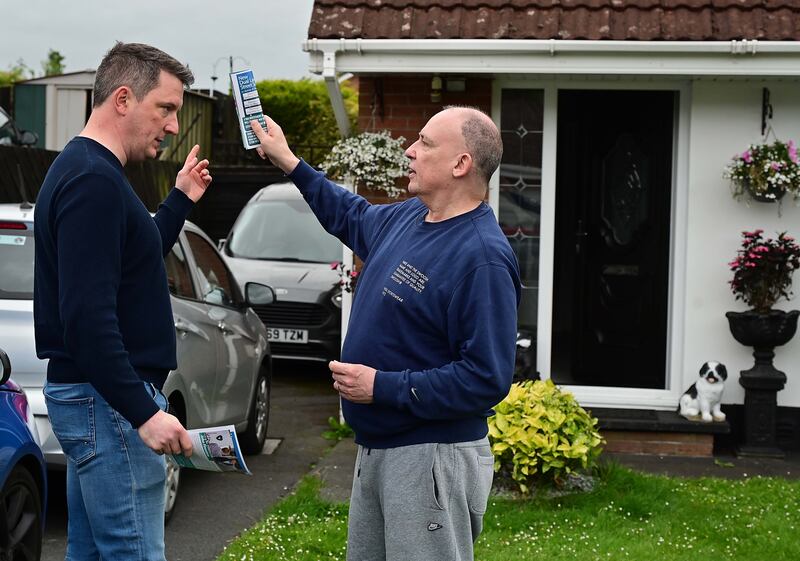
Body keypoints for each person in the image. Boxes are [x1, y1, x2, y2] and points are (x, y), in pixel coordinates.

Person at [251, 106, 521, 561]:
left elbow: (485, 378)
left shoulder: (483, 258)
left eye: (425, 144)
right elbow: (349, 213)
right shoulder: (409, 219)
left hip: (431, 458)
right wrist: (289, 161)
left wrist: (382, 387)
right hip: (378, 450)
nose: (410, 151)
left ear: (461, 165)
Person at [34, 42, 212, 561]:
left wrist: (178, 200)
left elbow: (135, 257)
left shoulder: (90, 172)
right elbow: (87, 319)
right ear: (123, 98)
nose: (174, 126)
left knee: (91, 554)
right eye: (167, 108)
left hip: (98, 401)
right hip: (109, 404)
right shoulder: (93, 181)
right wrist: (142, 411)